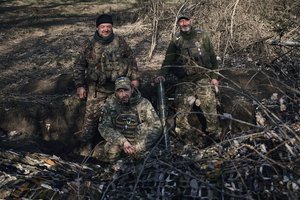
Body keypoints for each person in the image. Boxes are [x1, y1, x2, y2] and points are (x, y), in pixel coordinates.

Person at [73, 14, 139, 155]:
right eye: (103, 26)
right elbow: (79, 65)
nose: (106, 29)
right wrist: (80, 85)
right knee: (91, 120)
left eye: (108, 26)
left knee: (122, 117)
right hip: (97, 89)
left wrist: (134, 78)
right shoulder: (89, 45)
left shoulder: (120, 42)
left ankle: (124, 148)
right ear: (97, 28)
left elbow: (131, 59)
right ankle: (85, 150)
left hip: (119, 89)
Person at [156, 14, 221, 140]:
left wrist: (214, 77)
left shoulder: (202, 35)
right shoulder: (176, 40)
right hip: (185, 79)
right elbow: (168, 59)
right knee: (181, 105)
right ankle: (184, 134)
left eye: (186, 21)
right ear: (178, 24)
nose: (184, 24)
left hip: (203, 77)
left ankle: (214, 133)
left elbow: (213, 57)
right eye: (181, 22)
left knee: (209, 103)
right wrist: (161, 75)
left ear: (191, 21)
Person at [98, 76, 162, 161]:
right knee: (111, 151)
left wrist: (139, 146)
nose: (124, 94)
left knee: (145, 158)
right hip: (120, 143)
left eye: (126, 90)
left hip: (139, 143)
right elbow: (103, 126)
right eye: (120, 91)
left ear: (132, 89)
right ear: (116, 92)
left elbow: (156, 126)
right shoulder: (110, 104)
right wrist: (122, 141)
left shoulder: (143, 103)